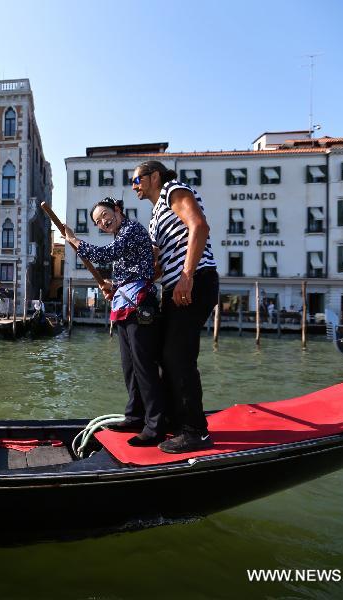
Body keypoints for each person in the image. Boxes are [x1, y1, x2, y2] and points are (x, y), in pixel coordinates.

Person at [65, 198, 168, 447]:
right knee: (129, 366)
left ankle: (156, 425)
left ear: (118, 210)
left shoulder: (132, 230)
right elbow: (126, 271)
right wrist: (113, 286)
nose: (102, 222)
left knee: (144, 366)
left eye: (104, 215)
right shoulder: (120, 235)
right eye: (98, 221)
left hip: (141, 306)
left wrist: (74, 240)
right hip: (125, 305)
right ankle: (135, 416)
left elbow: (104, 255)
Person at [132, 160, 219, 453]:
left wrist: (187, 276)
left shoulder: (173, 190)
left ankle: (196, 431)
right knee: (164, 356)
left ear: (154, 176)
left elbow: (199, 226)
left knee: (178, 355)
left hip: (195, 282)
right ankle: (176, 422)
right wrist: (119, 286)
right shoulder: (155, 217)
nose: (134, 186)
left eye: (137, 180)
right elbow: (155, 268)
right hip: (174, 288)